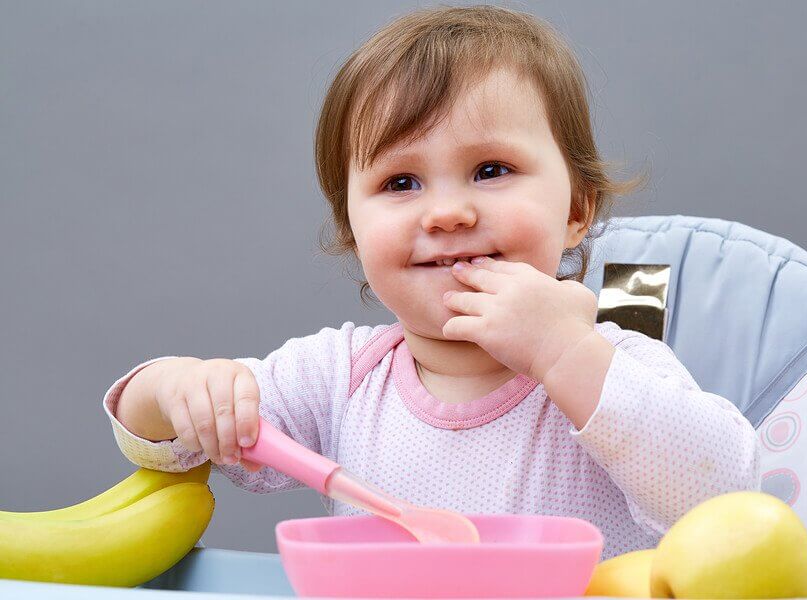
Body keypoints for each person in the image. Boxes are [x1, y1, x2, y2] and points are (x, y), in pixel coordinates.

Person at [103, 5, 760, 557]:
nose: (447, 213)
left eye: (492, 169)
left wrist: (564, 354)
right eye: (401, 183)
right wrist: (174, 390)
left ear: (576, 211)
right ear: (356, 235)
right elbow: (170, 446)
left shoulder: (618, 367)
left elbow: (724, 496)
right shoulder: (341, 377)